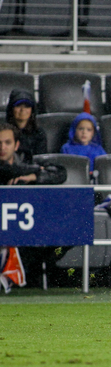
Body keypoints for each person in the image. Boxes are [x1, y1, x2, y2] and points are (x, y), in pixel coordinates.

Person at [0, 123, 67, 290]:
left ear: (16, 145)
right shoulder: (22, 167)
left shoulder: (28, 162)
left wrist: (32, 177)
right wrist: (26, 172)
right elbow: (6, 171)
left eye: (7, 142)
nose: (2, 147)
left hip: (27, 228)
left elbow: (60, 172)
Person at [4, 88, 47, 163]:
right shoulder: (3, 132)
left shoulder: (39, 133)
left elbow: (40, 160)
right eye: (18, 106)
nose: (22, 110)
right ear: (11, 109)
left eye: (27, 106)